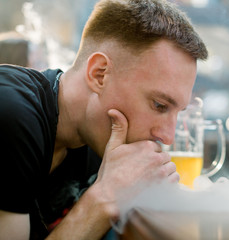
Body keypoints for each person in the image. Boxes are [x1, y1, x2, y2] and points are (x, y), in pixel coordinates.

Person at [0, 0, 208, 239]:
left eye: (178, 111)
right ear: (99, 74)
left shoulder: (102, 138)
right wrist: (105, 196)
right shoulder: (11, 113)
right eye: (159, 105)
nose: (168, 136)